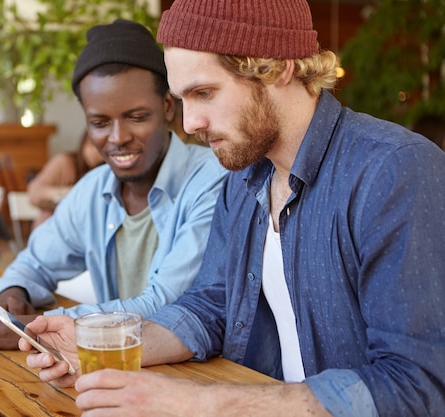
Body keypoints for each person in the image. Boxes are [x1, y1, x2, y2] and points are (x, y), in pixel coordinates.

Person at [22, 1, 445, 416]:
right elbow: (212, 308)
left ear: (277, 67)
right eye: (182, 100)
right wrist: (103, 343)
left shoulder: (395, 172)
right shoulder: (243, 182)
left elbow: (415, 386)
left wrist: (195, 403)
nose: (189, 124)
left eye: (204, 93)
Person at [0, 19, 226, 351]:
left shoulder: (212, 181)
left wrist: (18, 331)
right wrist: (12, 296)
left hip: (200, 375)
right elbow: (34, 261)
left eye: (136, 117)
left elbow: (166, 306)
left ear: (167, 106)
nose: (118, 138)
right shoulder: (93, 190)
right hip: (115, 370)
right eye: (100, 123)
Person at [27, 131, 104, 228]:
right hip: (51, 227)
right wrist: (69, 192)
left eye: (100, 148)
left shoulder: (106, 173)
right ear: (83, 144)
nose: (95, 152)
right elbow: (34, 192)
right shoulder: (65, 162)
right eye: (91, 146)